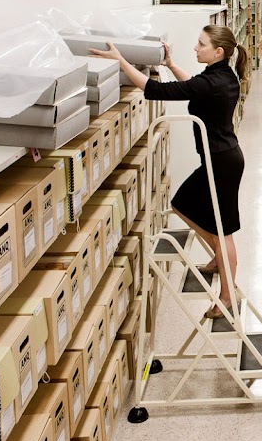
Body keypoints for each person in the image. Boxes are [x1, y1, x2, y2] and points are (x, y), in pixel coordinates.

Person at [89, 26, 249, 317]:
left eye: (201, 44)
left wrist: (120, 61)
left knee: (222, 230)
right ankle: (218, 257)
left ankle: (227, 297)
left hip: (222, 163)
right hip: (222, 158)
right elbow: (193, 86)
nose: (195, 48)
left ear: (218, 52)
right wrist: (171, 64)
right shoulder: (222, 76)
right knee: (182, 204)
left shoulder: (213, 82)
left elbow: (155, 90)